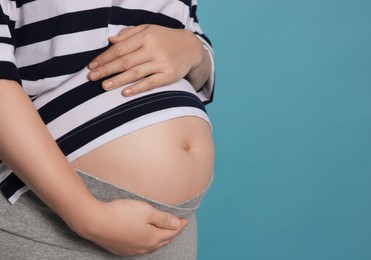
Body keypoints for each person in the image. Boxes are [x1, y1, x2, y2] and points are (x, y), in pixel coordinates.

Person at [0, 0, 215, 259]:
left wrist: (194, 50)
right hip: (49, 217)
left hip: (172, 230)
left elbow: (193, 42)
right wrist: (87, 215)